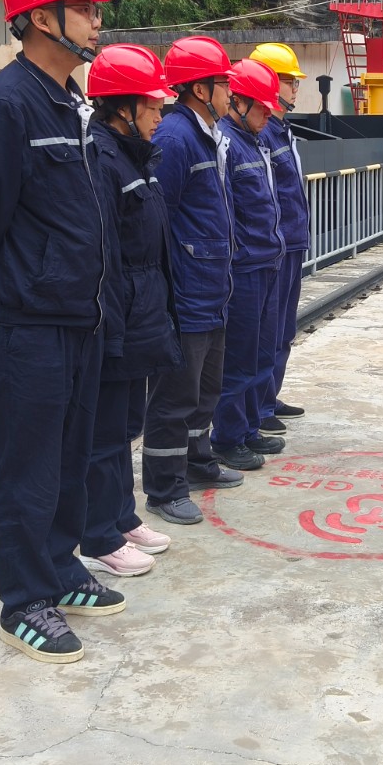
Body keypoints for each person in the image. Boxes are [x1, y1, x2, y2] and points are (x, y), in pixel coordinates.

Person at [0, 0, 125, 665]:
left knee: (70, 454)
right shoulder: (6, 104)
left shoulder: (69, 102)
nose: (96, 21)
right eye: (85, 9)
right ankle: (24, 600)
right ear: (43, 20)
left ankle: (60, 566)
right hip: (28, 321)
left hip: (79, 314)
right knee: (27, 463)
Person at [81, 44, 181, 577]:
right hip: (118, 312)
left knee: (123, 425)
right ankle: (99, 535)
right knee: (104, 431)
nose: (160, 116)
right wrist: (113, 327)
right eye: (153, 106)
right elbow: (106, 252)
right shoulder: (103, 159)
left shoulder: (133, 155)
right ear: (124, 107)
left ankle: (121, 517)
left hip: (141, 306)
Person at [141, 36, 243, 526]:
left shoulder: (207, 134)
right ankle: (164, 487)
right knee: (175, 396)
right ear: (201, 90)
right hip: (188, 292)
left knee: (206, 389)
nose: (231, 92)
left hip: (212, 288)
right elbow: (160, 217)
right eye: (224, 83)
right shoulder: (176, 138)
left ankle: (199, 462)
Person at [210, 58, 286, 468]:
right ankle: (228, 437)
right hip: (244, 269)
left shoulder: (254, 141)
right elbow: (225, 211)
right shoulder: (227, 143)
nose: (268, 114)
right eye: (261, 106)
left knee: (260, 352)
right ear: (238, 103)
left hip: (266, 262)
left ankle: (250, 427)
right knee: (239, 357)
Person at [246, 43, 310, 434]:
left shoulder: (279, 128)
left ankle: (270, 396)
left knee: (283, 329)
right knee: (268, 331)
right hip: (277, 245)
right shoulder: (264, 132)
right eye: (288, 80)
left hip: (291, 241)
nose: (294, 87)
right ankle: (260, 405)